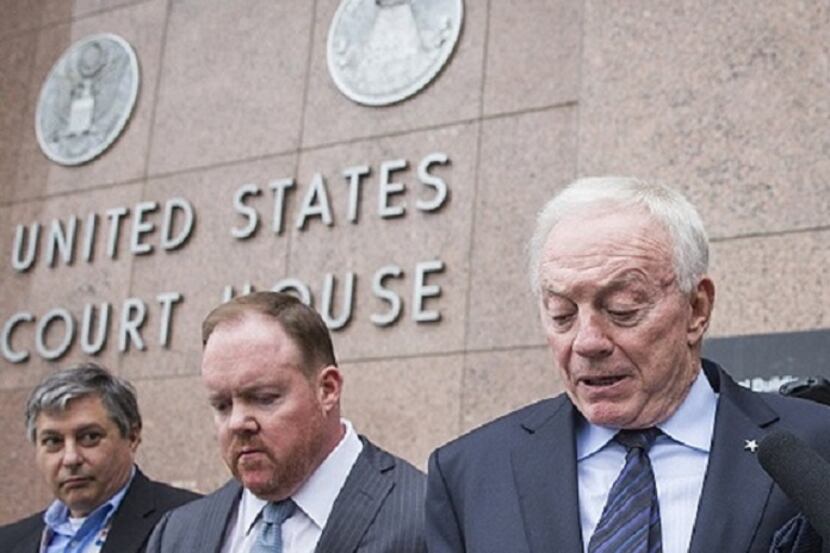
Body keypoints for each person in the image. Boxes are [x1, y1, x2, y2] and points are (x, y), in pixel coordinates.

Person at [425, 177, 830, 553]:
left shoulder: (816, 443)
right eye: (562, 314)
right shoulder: (469, 471)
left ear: (696, 309)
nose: (587, 342)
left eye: (622, 310)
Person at [147, 291, 426, 553]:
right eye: (222, 405)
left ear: (327, 390)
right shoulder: (177, 534)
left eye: (264, 398)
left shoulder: (426, 515)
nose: (237, 423)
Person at [0, 363, 198, 553]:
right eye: (53, 441)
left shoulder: (192, 521)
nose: (71, 459)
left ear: (132, 436)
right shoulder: (8, 542)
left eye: (89, 437)